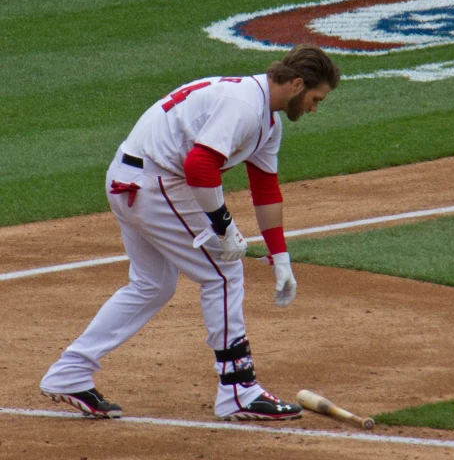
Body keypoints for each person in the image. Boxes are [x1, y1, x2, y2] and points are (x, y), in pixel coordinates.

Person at [39, 44, 340, 421]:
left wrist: (280, 257)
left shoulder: (267, 118)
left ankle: (70, 372)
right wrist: (224, 226)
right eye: (316, 98)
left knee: (152, 285)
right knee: (224, 273)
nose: (314, 108)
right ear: (297, 84)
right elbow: (200, 166)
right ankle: (238, 389)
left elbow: (266, 190)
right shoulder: (245, 105)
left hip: (132, 178)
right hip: (154, 183)